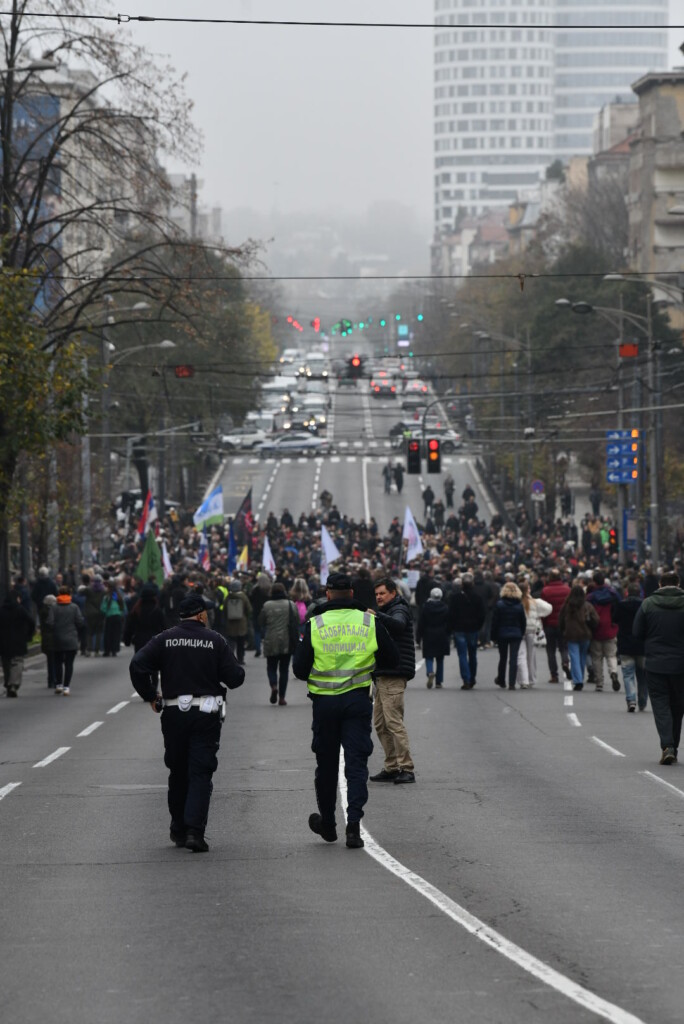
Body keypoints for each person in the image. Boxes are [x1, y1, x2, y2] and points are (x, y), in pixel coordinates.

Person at [129, 592, 245, 852]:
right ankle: (194, 831)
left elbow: (138, 664)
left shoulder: (164, 639)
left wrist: (151, 695)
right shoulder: (215, 640)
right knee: (200, 771)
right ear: (201, 615)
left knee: (178, 771)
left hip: (173, 714)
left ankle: (178, 829)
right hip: (206, 714)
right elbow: (235, 678)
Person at [292, 572, 399, 849]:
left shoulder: (315, 624)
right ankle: (354, 827)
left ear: (327, 594)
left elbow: (300, 670)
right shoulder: (368, 621)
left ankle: (328, 823)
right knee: (356, 765)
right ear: (352, 593)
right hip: (357, 701)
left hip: (325, 704)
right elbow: (392, 657)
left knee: (326, 766)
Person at [633, 570, 684, 765]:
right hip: (680, 664)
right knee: (678, 706)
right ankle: (674, 747)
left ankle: (667, 746)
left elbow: (637, 632)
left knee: (661, 704)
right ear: (678, 584)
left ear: (660, 585)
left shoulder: (648, 604)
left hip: (655, 663)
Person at [371, 576, 417, 784]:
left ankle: (406, 767)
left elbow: (398, 625)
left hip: (394, 673)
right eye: (376, 594)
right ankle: (391, 766)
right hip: (383, 673)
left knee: (393, 722)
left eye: (382, 593)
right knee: (381, 724)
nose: (379, 597)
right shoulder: (389, 610)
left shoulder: (399, 609)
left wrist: (377, 616)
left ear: (393, 593)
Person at [259, 582, 299, 705]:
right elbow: (297, 620)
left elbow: (261, 621)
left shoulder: (267, 605)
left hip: (271, 640)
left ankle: (273, 686)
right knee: (284, 670)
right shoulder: (291, 604)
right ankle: (282, 697)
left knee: (271, 667)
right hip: (287, 641)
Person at [613, 581, 648, 712]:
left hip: (625, 644)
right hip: (642, 646)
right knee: (643, 675)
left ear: (627, 592)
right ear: (640, 593)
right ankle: (642, 700)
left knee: (628, 674)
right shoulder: (645, 606)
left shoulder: (621, 605)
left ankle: (631, 699)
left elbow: (614, 619)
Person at [448, 571, 486, 689]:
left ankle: (466, 679)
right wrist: (478, 626)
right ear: (472, 584)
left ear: (462, 584)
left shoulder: (455, 597)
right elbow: (482, 614)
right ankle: (472, 677)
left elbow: (451, 614)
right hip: (473, 628)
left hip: (459, 628)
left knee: (462, 655)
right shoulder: (477, 597)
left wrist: (452, 627)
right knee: (473, 654)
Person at [559, 584, 599, 692]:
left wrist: (562, 631)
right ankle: (579, 677)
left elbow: (561, 620)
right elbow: (596, 620)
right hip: (585, 634)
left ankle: (578, 680)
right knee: (582, 656)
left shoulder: (567, 606)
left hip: (571, 634)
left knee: (574, 657)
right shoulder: (587, 606)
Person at [586, 570, 620, 693]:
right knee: (611, 655)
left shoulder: (591, 597)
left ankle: (599, 682)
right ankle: (613, 672)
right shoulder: (613, 594)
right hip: (610, 627)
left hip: (596, 629)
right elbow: (618, 608)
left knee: (597, 657)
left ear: (594, 582)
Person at [48, 587, 84, 695]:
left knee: (57, 662)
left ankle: (58, 684)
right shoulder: (74, 607)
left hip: (57, 638)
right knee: (69, 664)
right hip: (71, 638)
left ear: (59, 594)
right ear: (70, 594)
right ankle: (66, 686)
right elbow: (80, 621)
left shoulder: (54, 607)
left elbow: (50, 622)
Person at [517, 580, 552, 689]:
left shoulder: (517, 602)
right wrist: (539, 614)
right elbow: (549, 608)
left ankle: (524, 680)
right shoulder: (535, 602)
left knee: (521, 655)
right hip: (532, 630)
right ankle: (531, 679)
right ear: (528, 590)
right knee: (531, 656)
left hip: (519, 631)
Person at [491, 582, 526, 690]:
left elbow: (495, 622)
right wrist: (521, 632)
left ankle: (501, 680)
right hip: (516, 633)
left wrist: (493, 636)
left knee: (503, 657)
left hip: (502, 633)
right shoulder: (519, 605)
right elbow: (523, 621)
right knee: (513, 658)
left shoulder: (499, 604)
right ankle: (512, 683)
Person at [0, 591, 35, 697]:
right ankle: (13, 684)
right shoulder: (20, 609)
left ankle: (7, 682)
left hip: (3, 641)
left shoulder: (1, 610)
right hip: (19, 641)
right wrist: (29, 635)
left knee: (6, 664)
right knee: (17, 662)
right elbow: (31, 621)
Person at [540, 569, 571, 683]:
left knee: (550, 650)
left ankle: (554, 675)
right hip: (563, 623)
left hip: (549, 623)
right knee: (564, 647)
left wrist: (543, 623)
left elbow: (543, 609)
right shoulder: (567, 590)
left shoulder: (545, 591)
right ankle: (565, 662)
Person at [417, 587, 450, 689]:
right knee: (440, 659)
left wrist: (418, 636)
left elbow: (421, 623)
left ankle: (430, 672)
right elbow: (449, 622)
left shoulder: (426, 607)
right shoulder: (445, 607)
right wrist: (448, 633)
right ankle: (439, 682)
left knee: (429, 656)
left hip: (428, 634)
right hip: (442, 634)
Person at [225, 579, 251, 665]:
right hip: (241, 623)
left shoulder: (228, 597)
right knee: (241, 643)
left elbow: (225, 609)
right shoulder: (243, 596)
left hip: (231, 623)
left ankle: (230, 658)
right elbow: (249, 609)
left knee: (231, 643)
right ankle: (240, 659)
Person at [101, 581, 126, 657]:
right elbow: (124, 607)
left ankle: (107, 651)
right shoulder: (119, 596)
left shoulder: (106, 597)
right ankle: (114, 650)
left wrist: (106, 612)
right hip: (118, 617)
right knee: (116, 634)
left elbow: (103, 608)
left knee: (108, 634)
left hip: (109, 617)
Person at [84, 575, 105, 655]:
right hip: (100, 613)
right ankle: (97, 650)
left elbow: (80, 592)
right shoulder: (103, 591)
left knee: (89, 632)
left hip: (90, 613)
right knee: (98, 632)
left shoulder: (88, 589)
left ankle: (89, 650)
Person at [40, 593, 58, 689]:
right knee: (55, 661)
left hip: (46, 639)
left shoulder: (42, 611)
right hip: (53, 639)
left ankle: (50, 680)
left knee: (50, 661)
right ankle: (54, 679)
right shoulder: (52, 612)